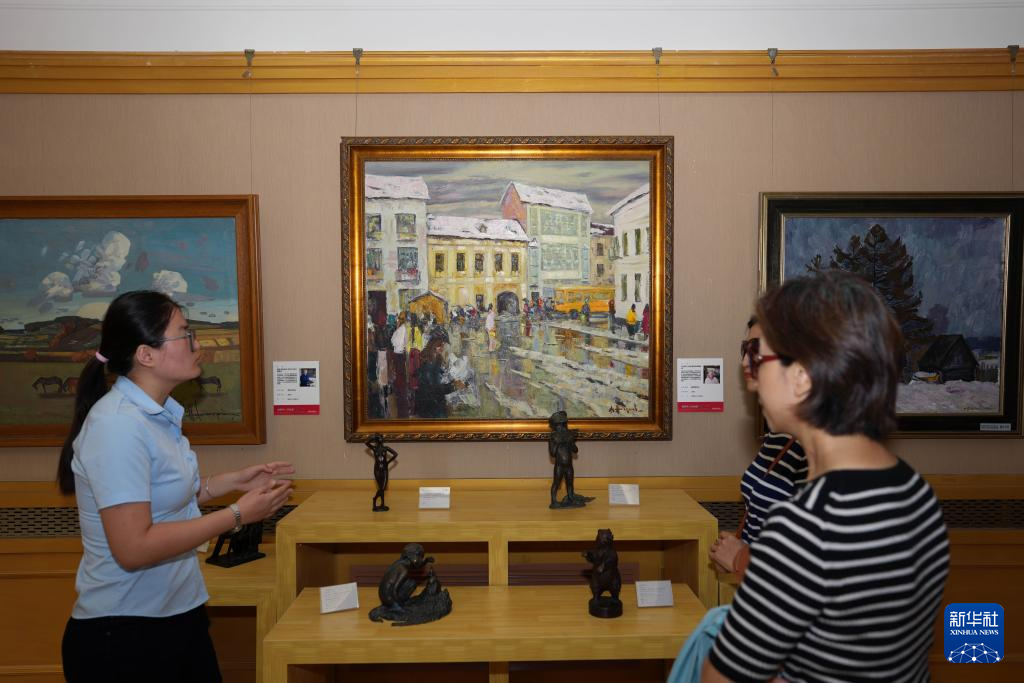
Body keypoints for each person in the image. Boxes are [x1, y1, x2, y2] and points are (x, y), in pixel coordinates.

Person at [702, 271, 949, 682]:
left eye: (759, 358)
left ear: (801, 377)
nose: (752, 376)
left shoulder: (805, 528)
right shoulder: (915, 493)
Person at [56, 290, 294, 683]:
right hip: (125, 634)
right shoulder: (117, 425)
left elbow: (162, 499)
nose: (197, 345)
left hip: (177, 615)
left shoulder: (157, 414)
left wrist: (231, 482)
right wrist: (237, 515)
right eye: (185, 334)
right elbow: (134, 547)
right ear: (146, 355)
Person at [707, 319, 806, 581]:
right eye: (744, 349)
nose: (743, 362)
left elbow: (819, 564)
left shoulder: (819, 445)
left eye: (755, 350)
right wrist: (735, 550)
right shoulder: (779, 435)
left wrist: (741, 558)